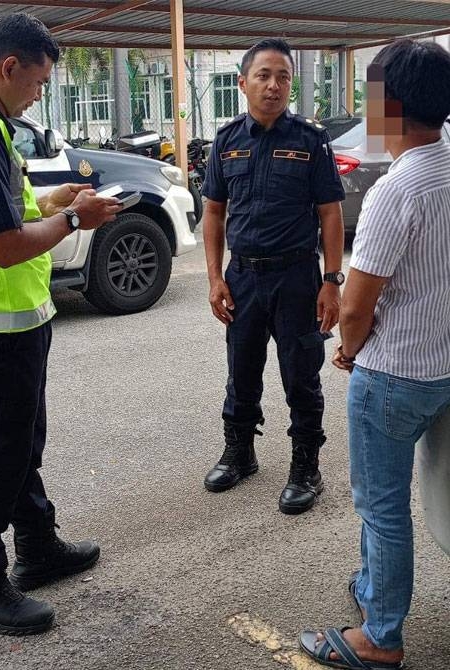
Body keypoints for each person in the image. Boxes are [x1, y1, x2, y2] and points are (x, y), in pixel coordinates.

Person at [0, 13, 123, 635]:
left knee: (19, 445)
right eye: (37, 84)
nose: (38, 96)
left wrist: (53, 202)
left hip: (7, 318)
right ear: (9, 67)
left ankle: (37, 547)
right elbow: (4, 245)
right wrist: (75, 222)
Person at [299, 39, 450, 670]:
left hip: (394, 374)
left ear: (390, 105)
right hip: (442, 366)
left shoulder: (399, 188)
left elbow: (357, 304)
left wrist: (348, 349)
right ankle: (372, 593)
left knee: (382, 506)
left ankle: (380, 637)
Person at [201, 38, 345, 514]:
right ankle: (240, 453)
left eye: (283, 76)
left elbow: (329, 213)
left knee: (301, 376)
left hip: (297, 279)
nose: (274, 85)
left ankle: (306, 467)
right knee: (241, 373)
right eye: (263, 75)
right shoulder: (226, 142)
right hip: (242, 277)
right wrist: (214, 279)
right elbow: (215, 214)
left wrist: (332, 279)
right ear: (243, 83)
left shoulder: (309, 140)